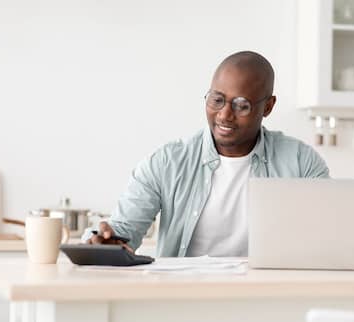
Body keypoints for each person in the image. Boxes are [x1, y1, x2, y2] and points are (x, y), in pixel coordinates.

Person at [83, 51, 329, 257]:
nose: (224, 115)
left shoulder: (300, 163)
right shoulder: (167, 163)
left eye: (241, 105)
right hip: (185, 298)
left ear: (268, 107)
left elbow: (330, 235)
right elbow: (123, 230)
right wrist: (106, 242)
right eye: (217, 100)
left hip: (265, 297)